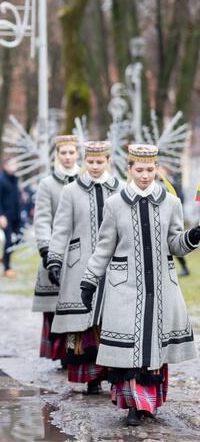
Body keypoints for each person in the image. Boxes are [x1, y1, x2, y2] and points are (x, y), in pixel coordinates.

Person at [80, 144, 199, 426]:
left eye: (150, 169)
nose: (145, 175)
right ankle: (133, 406)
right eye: (139, 169)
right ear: (130, 169)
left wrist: (193, 235)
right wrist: (89, 280)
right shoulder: (115, 204)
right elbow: (104, 247)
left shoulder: (171, 203)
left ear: (156, 169)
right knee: (129, 348)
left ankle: (150, 404)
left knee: (153, 347)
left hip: (161, 289)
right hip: (126, 288)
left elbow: (175, 244)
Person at [46, 141, 123, 395]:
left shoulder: (121, 189)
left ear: (108, 161)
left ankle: (113, 373)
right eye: (90, 162)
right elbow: (61, 228)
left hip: (113, 265)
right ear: (85, 161)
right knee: (85, 322)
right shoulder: (71, 190)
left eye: (100, 162)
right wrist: (55, 259)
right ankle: (91, 377)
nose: (95, 166)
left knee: (111, 320)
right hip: (80, 263)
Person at [34, 135, 80, 364]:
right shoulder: (47, 184)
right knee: (56, 308)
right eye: (63, 153)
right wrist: (46, 249)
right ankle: (62, 352)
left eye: (72, 152)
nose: (68, 157)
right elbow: (42, 218)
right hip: (56, 250)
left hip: (82, 253)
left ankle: (78, 351)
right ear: (57, 156)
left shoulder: (86, 180)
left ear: (78, 154)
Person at [0, 159, 21, 276]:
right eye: (12, 164)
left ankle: (4, 256)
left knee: (19, 238)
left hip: (16, 216)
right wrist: (0, 216)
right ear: (5, 166)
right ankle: (7, 268)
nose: (15, 166)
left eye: (16, 164)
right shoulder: (0, 180)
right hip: (5, 217)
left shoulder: (14, 180)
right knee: (9, 240)